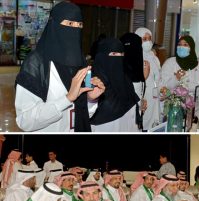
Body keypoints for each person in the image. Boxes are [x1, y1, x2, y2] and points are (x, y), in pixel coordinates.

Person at [15, 1, 105, 132]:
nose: (75, 29)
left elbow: (81, 115)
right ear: (54, 25)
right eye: (70, 24)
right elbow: (25, 121)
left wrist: (91, 99)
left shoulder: (80, 62)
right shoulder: (36, 63)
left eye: (79, 25)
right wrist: (67, 99)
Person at [90, 38, 140, 132]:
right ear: (101, 57)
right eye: (113, 54)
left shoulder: (126, 80)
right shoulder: (92, 82)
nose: (119, 58)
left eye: (121, 54)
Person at [135, 27, 162, 130]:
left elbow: (158, 77)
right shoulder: (135, 58)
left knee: (154, 125)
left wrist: (162, 89)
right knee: (143, 125)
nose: (148, 42)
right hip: (143, 98)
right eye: (144, 39)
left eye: (149, 39)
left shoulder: (154, 57)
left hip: (155, 96)